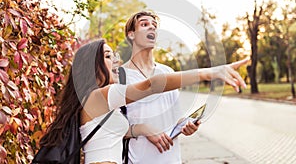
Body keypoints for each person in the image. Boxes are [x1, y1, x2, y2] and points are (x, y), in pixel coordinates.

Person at [38, 39, 248, 164]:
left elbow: (109, 134)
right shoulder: (100, 96)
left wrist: (143, 128)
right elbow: (152, 85)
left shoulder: (93, 101)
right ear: (93, 65)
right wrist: (209, 73)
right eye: (109, 56)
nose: (116, 61)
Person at [121, 10, 239, 163]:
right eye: (144, 24)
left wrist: (186, 126)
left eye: (154, 25)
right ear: (131, 35)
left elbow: (176, 118)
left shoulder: (167, 72)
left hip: (171, 159)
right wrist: (144, 130)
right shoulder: (120, 76)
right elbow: (110, 129)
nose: (152, 28)